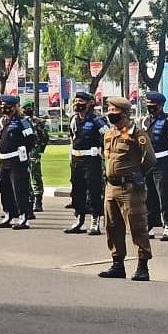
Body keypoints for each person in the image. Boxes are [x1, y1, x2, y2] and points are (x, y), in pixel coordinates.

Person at [98, 97, 156, 281]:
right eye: (109, 110)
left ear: (124, 113)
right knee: (112, 227)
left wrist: (136, 175)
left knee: (137, 226)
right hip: (111, 187)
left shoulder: (136, 134)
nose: (110, 113)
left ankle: (142, 266)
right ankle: (117, 264)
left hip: (130, 188)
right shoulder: (109, 134)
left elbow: (150, 159)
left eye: (113, 111)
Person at [142, 91, 168, 241]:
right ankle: (151, 224)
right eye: (148, 104)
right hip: (148, 163)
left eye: (153, 105)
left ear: (160, 105)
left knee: (165, 195)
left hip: (163, 162)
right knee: (148, 195)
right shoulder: (145, 120)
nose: (150, 107)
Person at [64, 92, 108, 236]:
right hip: (77, 159)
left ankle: (95, 221)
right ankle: (79, 219)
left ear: (89, 103)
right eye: (76, 101)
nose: (78, 103)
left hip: (92, 160)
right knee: (77, 191)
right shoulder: (74, 119)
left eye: (81, 101)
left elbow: (107, 137)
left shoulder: (97, 120)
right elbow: (73, 138)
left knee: (94, 190)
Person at [0, 95, 36, 230]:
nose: (4, 108)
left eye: (7, 106)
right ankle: (8, 214)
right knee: (5, 190)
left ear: (15, 107)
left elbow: (31, 139)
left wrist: (23, 152)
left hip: (17, 161)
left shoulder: (22, 122)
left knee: (19, 190)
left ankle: (24, 217)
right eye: (3, 106)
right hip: (4, 160)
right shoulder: (2, 121)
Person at [21, 100, 49, 213]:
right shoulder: (21, 121)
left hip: (34, 152)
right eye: (25, 108)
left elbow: (44, 137)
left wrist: (39, 149)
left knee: (35, 175)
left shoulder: (38, 122)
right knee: (23, 176)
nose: (27, 110)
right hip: (23, 152)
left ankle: (38, 199)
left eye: (29, 108)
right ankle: (28, 199)